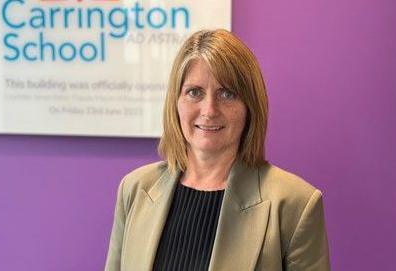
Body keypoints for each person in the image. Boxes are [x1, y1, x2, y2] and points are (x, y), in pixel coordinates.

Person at [104, 29, 330, 271]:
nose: (209, 110)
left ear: (249, 106)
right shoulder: (136, 189)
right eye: (194, 92)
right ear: (175, 102)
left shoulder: (295, 204)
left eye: (227, 93)